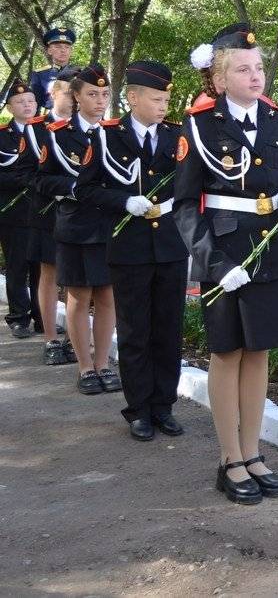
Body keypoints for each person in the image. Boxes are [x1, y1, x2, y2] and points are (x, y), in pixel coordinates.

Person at [175, 22, 278, 505]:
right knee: (228, 352)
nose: (256, 77)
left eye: (260, 68)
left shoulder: (277, 119)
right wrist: (212, 261)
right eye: (244, 70)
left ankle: (253, 452)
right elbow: (185, 205)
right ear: (221, 78)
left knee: (260, 352)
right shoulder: (200, 125)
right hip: (226, 253)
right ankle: (229, 459)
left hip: (271, 249)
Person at [75, 61, 188, 441]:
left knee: (168, 330)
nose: (163, 106)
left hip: (171, 245)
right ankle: (139, 409)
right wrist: (123, 201)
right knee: (136, 329)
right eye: (157, 99)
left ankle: (164, 406)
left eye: (167, 99)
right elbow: (86, 189)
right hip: (130, 249)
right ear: (133, 97)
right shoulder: (107, 136)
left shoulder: (177, 135)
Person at [35, 63, 119, 395]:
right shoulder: (57, 134)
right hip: (76, 225)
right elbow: (40, 179)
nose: (100, 101)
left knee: (107, 295)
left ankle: (103, 363)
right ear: (76, 97)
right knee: (79, 295)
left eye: (104, 95)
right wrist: (73, 187)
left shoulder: (116, 133)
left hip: (110, 224)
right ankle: (85, 367)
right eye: (92, 94)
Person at [24, 66, 76, 365]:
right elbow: (29, 173)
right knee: (50, 273)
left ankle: (73, 336)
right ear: (53, 93)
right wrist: (60, 189)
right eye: (68, 92)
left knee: (77, 279)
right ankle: (50, 338)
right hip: (48, 211)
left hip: (82, 214)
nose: (72, 98)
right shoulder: (36, 128)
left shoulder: (88, 127)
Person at [0, 79, 45, 339]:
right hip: (14, 212)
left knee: (43, 268)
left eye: (30, 101)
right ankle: (19, 318)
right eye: (20, 102)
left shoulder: (47, 131)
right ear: (10, 106)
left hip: (42, 211)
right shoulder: (3, 136)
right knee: (18, 266)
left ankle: (42, 317)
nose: (26, 105)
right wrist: (26, 179)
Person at [33, 26, 76, 112]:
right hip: (48, 120)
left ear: (71, 51)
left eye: (67, 47)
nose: (63, 50)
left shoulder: (80, 74)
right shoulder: (39, 74)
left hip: (74, 119)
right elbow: (35, 105)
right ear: (49, 50)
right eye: (58, 47)